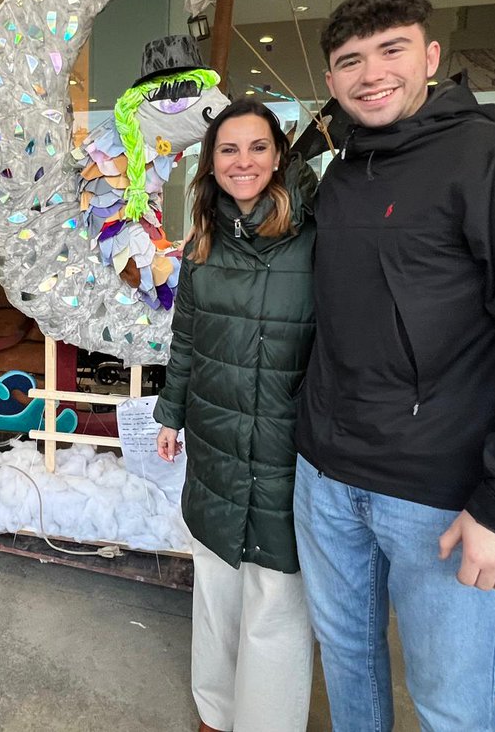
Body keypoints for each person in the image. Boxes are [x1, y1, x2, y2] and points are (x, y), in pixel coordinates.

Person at [294, 0, 495, 730]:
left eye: (391, 50)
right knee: (346, 658)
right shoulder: (340, 177)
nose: (371, 74)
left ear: (430, 57)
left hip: (439, 491)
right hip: (328, 476)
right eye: (350, 61)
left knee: (450, 701)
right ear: (332, 81)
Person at [154, 99, 317, 732]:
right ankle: (215, 713)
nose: (242, 161)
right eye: (228, 150)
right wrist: (170, 413)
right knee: (217, 583)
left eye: (256, 147)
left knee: (277, 594)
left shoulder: (316, 237)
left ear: (279, 156)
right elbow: (187, 338)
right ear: (211, 164)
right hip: (217, 437)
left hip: (286, 440)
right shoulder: (203, 245)